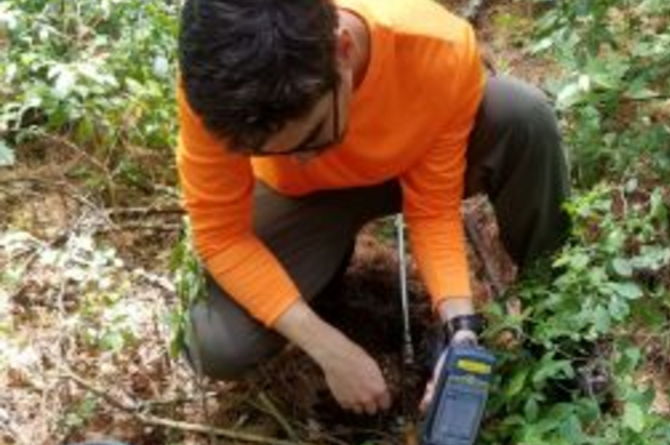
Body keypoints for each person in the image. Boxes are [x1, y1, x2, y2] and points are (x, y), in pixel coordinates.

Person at [176, 0, 570, 416]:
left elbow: (432, 208)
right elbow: (220, 235)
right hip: (304, 198)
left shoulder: (436, 48)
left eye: (311, 137)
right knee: (214, 343)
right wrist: (326, 346)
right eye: (269, 150)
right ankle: (325, 269)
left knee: (521, 113)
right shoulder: (215, 87)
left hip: (412, 163)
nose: (302, 156)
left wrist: (461, 328)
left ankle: (562, 323)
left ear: (342, 51)